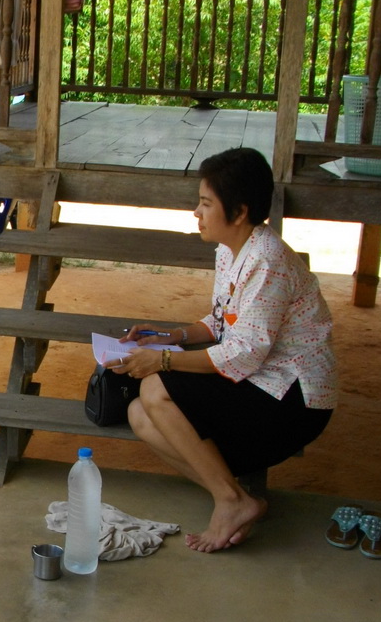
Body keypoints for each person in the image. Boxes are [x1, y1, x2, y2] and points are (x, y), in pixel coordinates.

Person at [109, 148, 337, 553]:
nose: (196, 212)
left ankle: (231, 501)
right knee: (139, 415)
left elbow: (243, 353)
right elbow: (222, 321)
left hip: (292, 399)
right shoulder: (232, 250)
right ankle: (237, 499)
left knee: (155, 388)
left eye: (206, 203)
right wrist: (171, 336)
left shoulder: (267, 260)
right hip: (260, 383)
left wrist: (162, 360)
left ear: (239, 212)